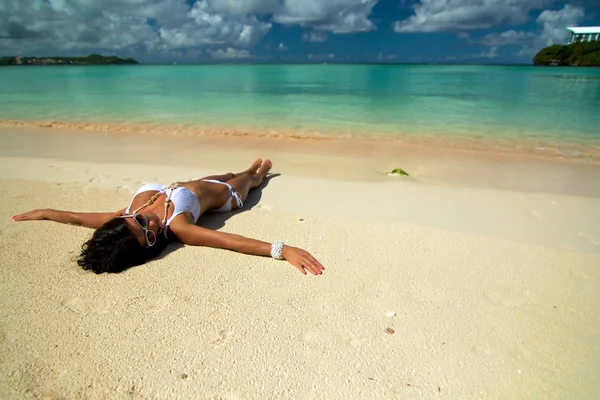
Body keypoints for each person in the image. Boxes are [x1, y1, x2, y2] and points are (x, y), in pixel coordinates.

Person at [11, 158, 324, 276]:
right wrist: (283, 250)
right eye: (147, 229)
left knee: (231, 171)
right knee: (250, 180)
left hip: (197, 181)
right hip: (228, 198)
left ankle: (245, 168)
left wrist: (44, 213)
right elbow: (230, 241)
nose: (147, 219)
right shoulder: (179, 227)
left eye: (136, 219)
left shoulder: (128, 216)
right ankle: (260, 173)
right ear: (149, 243)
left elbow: (78, 218)